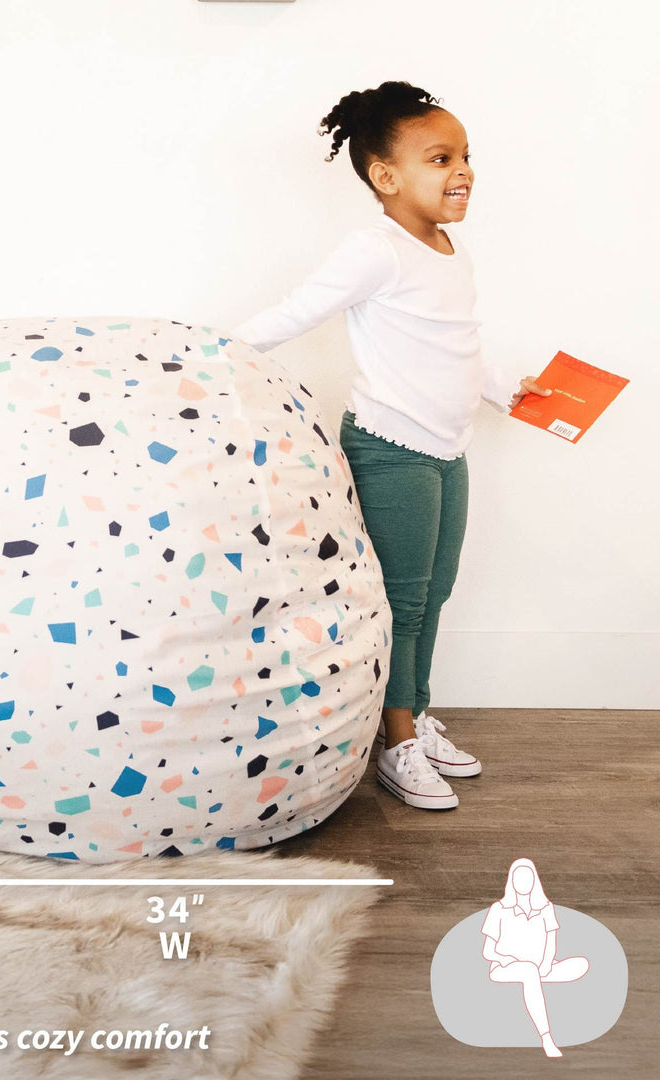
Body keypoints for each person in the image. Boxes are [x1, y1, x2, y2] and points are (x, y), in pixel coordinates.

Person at [229, 80, 551, 810]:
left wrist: (503, 386)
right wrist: (214, 353)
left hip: (447, 446)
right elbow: (297, 311)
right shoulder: (375, 249)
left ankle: (414, 712)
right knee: (402, 601)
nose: (463, 170)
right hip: (392, 449)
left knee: (434, 594)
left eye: (466, 155)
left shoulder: (448, 247)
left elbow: (451, 347)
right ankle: (395, 741)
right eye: (441, 157)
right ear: (386, 176)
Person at [482, 858, 589, 1057]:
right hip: (505, 967)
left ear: (534, 880)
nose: (523, 882)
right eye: (518, 878)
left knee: (581, 964)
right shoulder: (499, 909)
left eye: (528, 878)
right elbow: (487, 951)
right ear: (511, 881)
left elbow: (551, 941)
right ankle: (546, 1037)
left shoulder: (546, 908)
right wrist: (505, 959)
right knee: (528, 971)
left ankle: (536, 979)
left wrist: (547, 963)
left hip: (539, 967)